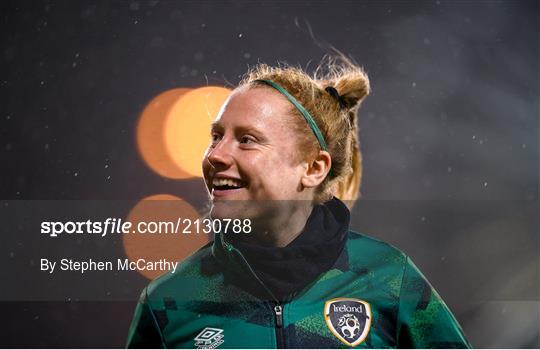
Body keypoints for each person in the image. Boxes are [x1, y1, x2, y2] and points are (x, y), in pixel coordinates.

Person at [126, 56, 472, 348]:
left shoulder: (389, 278)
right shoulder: (167, 301)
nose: (216, 155)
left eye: (246, 140)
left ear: (313, 168)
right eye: (216, 137)